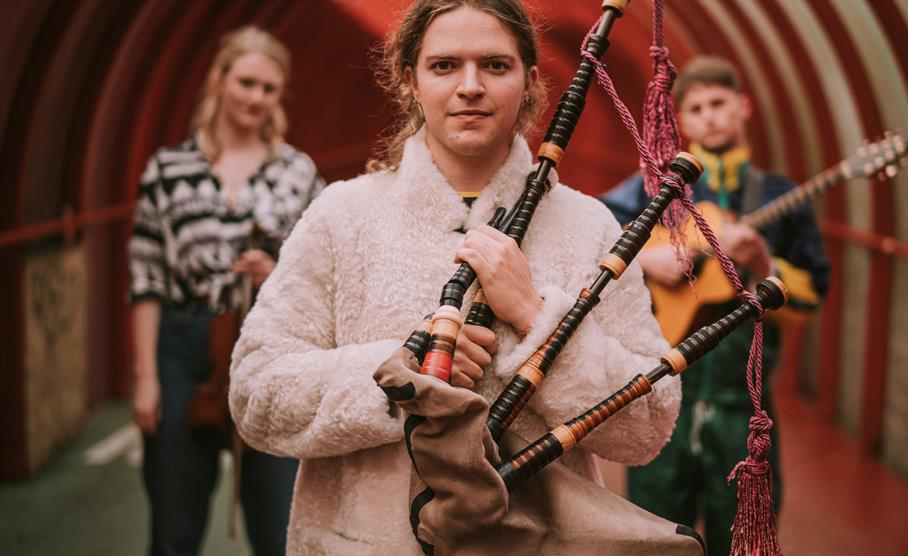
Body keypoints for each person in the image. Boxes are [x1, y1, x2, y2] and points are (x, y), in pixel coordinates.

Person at [228, 1, 682, 554]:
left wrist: (538, 317)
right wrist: (404, 372)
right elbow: (256, 394)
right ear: (410, 81)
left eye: (494, 65)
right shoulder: (341, 217)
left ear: (529, 82)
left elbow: (650, 424)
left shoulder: (589, 227)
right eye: (445, 66)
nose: (470, 86)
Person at [600, 56, 830, 555]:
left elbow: (810, 300)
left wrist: (765, 263)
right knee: (655, 534)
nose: (709, 116)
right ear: (683, 119)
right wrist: (645, 257)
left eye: (719, 103)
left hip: (743, 407)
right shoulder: (658, 187)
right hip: (661, 393)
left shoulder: (781, 196)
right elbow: (595, 234)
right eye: (697, 107)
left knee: (743, 536)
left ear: (743, 107)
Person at [128, 26, 323, 556]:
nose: (255, 98)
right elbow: (147, 279)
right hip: (185, 349)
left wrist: (275, 272)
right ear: (219, 79)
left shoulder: (297, 171)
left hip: (269, 346)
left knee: (277, 526)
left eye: (268, 88)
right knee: (175, 526)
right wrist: (148, 378)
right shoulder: (168, 169)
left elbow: (323, 274)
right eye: (246, 82)